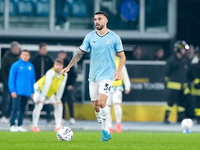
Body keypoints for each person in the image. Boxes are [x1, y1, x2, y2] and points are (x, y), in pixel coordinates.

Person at [61, 11, 126, 142]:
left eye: (99, 19)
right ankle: (104, 128)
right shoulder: (90, 36)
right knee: (96, 106)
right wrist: (68, 67)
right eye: (95, 19)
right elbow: (79, 54)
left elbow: (122, 56)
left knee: (102, 102)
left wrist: (118, 71)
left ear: (106, 21)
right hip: (93, 76)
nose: (97, 21)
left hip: (107, 75)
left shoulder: (114, 37)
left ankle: (105, 131)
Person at [32, 58, 67, 132]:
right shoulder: (50, 72)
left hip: (49, 93)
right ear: (54, 65)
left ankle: (58, 126)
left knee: (59, 104)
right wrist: (41, 98)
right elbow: (46, 85)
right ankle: (34, 126)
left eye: (60, 65)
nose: (58, 66)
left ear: (62, 66)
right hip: (39, 90)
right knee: (39, 105)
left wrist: (58, 98)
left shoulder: (64, 74)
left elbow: (61, 87)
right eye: (56, 65)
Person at [8, 50, 35, 132]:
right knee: (15, 108)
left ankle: (19, 125)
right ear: (20, 56)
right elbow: (11, 79)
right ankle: (12, 125)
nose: (25, 56)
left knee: (23, 109)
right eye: (24, 55)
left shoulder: (30, 66)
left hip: (26, 91)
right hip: (17, 91)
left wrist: (32, 91)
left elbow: (32, 79)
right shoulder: (15, 65)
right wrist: (12, 90)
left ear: (29, 56)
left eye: (27, 55)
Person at [163, 40, 189, 124]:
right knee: (170, 104)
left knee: (181, 104)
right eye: (183, 49)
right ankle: (166, 117)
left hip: (183, 87)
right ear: (178, 49)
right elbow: (166, 74)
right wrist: (168, 84)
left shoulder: (185, 60)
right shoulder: (171, 60)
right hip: (173, 87)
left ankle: (180, 118)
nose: (184, 51)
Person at [107, 55, 131, 133]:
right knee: (107, 108)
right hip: (107, 87)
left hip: (117, 87)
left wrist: (127, 86)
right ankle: (109, 126)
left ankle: (118, 123)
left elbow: (124, 74)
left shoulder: (120, 61)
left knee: (117, 106)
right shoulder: (105, 60)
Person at [31, 42, 54, 122]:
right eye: (44, 49)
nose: (45, 51)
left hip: (46, 84)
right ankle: (33, 117)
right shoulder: (35, 59)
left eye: (46, 49)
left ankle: (49, 117)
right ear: (40, 49)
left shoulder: (49, 59)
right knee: (36, 100)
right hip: (37, 83)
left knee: (47, 100)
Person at [0, 41, 21, 124]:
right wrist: (5, 81)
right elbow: (3, 70)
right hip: (7, 82)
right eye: (15, 48)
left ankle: (11, 116)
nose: (17, 50)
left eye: (18, 49)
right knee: (6, 100)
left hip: (17, 83)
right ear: (12, 49)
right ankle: (3, 115)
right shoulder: (6, 57)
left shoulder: (20, 57)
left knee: (14, 100)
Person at [57, 51, 77, 125]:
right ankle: (62, 117)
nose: (61, 56)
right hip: (60, 87)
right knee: (61, 102)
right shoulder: (57, 64)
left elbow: (74, 75)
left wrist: (71, 84)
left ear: (65, 55)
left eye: (62, 54)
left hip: (68, 86)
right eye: (60, 54)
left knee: (70, 102)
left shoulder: (69, 63)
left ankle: (72, 117)